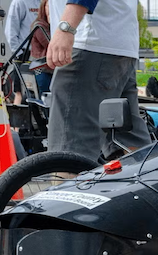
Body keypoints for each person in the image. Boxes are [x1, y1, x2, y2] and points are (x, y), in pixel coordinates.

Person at [45, 0, 150, 161]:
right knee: (129, 145)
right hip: (119, 43)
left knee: (69, 151)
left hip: (89, 42)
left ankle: (68, 184)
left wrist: (65, 28)